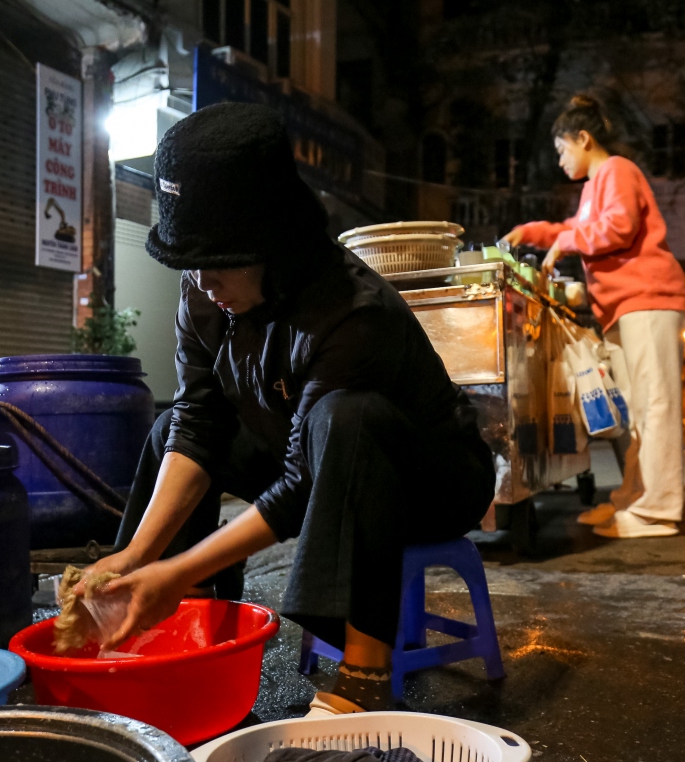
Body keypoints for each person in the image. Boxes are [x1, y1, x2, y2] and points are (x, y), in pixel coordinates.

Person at [78, 102, 495, 714]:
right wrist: (137, 556)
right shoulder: (206, 298)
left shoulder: (353, 314)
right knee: (170, 424)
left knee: (346, 418)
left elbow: (305, 480)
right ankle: (184, 623)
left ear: (267, 246)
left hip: (426, 480)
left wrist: (179, 563)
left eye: (213, 261)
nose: (198, 279)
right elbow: (198, 428)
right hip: (313, 460)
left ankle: (363, 673)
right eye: (188, 261)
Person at [502, 94, 685, 538]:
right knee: (637, 411)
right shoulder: (594, 186)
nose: (561, 160)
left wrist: (564, 243)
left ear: (584, 139)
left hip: (649, 298)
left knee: (655, 405)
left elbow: (618, 226)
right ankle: (633, 497)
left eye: (562, 150)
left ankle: (657, 511)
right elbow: (577, 228)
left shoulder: (617, 170)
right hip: (625, 308)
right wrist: (533, 232)